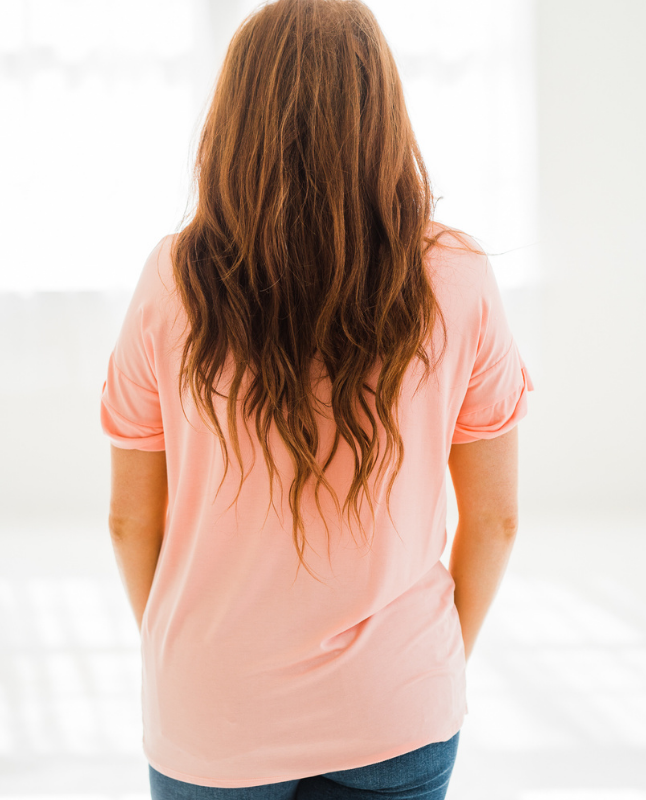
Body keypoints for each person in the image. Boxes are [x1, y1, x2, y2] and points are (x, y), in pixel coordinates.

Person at [99, 0, 535, 797]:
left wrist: (191, 660)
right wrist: (421, 670)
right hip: (398, 706)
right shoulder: (460, 275)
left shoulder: (173, 280)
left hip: (212, 712)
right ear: (382, 114)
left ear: (237, 118)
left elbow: (131, 518)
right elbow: (497, 519)